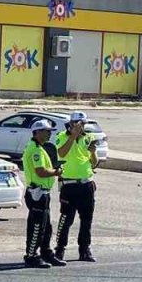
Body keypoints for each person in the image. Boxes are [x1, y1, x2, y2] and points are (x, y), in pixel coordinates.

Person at [53, 111, 100, 262]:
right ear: (71, 124)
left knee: (87, 219)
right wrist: (72, 136)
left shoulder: (88, 137)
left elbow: (94, 163)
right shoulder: (62, 136)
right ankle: (59, 249)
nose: (81, 127)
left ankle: (84, 249)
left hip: (86, 183)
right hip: (69, 184)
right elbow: (61, 153)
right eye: (77, 124)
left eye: (83, 124)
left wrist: (93, 154)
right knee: (66, 219)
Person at [22, 120, 66, 268]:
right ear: (38, 132)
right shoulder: (35, 149)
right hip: (37, 192)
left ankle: (46, 253)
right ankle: (31, 255)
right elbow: (40, 171)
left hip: (43, 193)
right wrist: (57, 172)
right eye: (47, 131)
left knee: (46, 227)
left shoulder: (40, 148)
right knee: (37, 227)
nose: (49, 134)